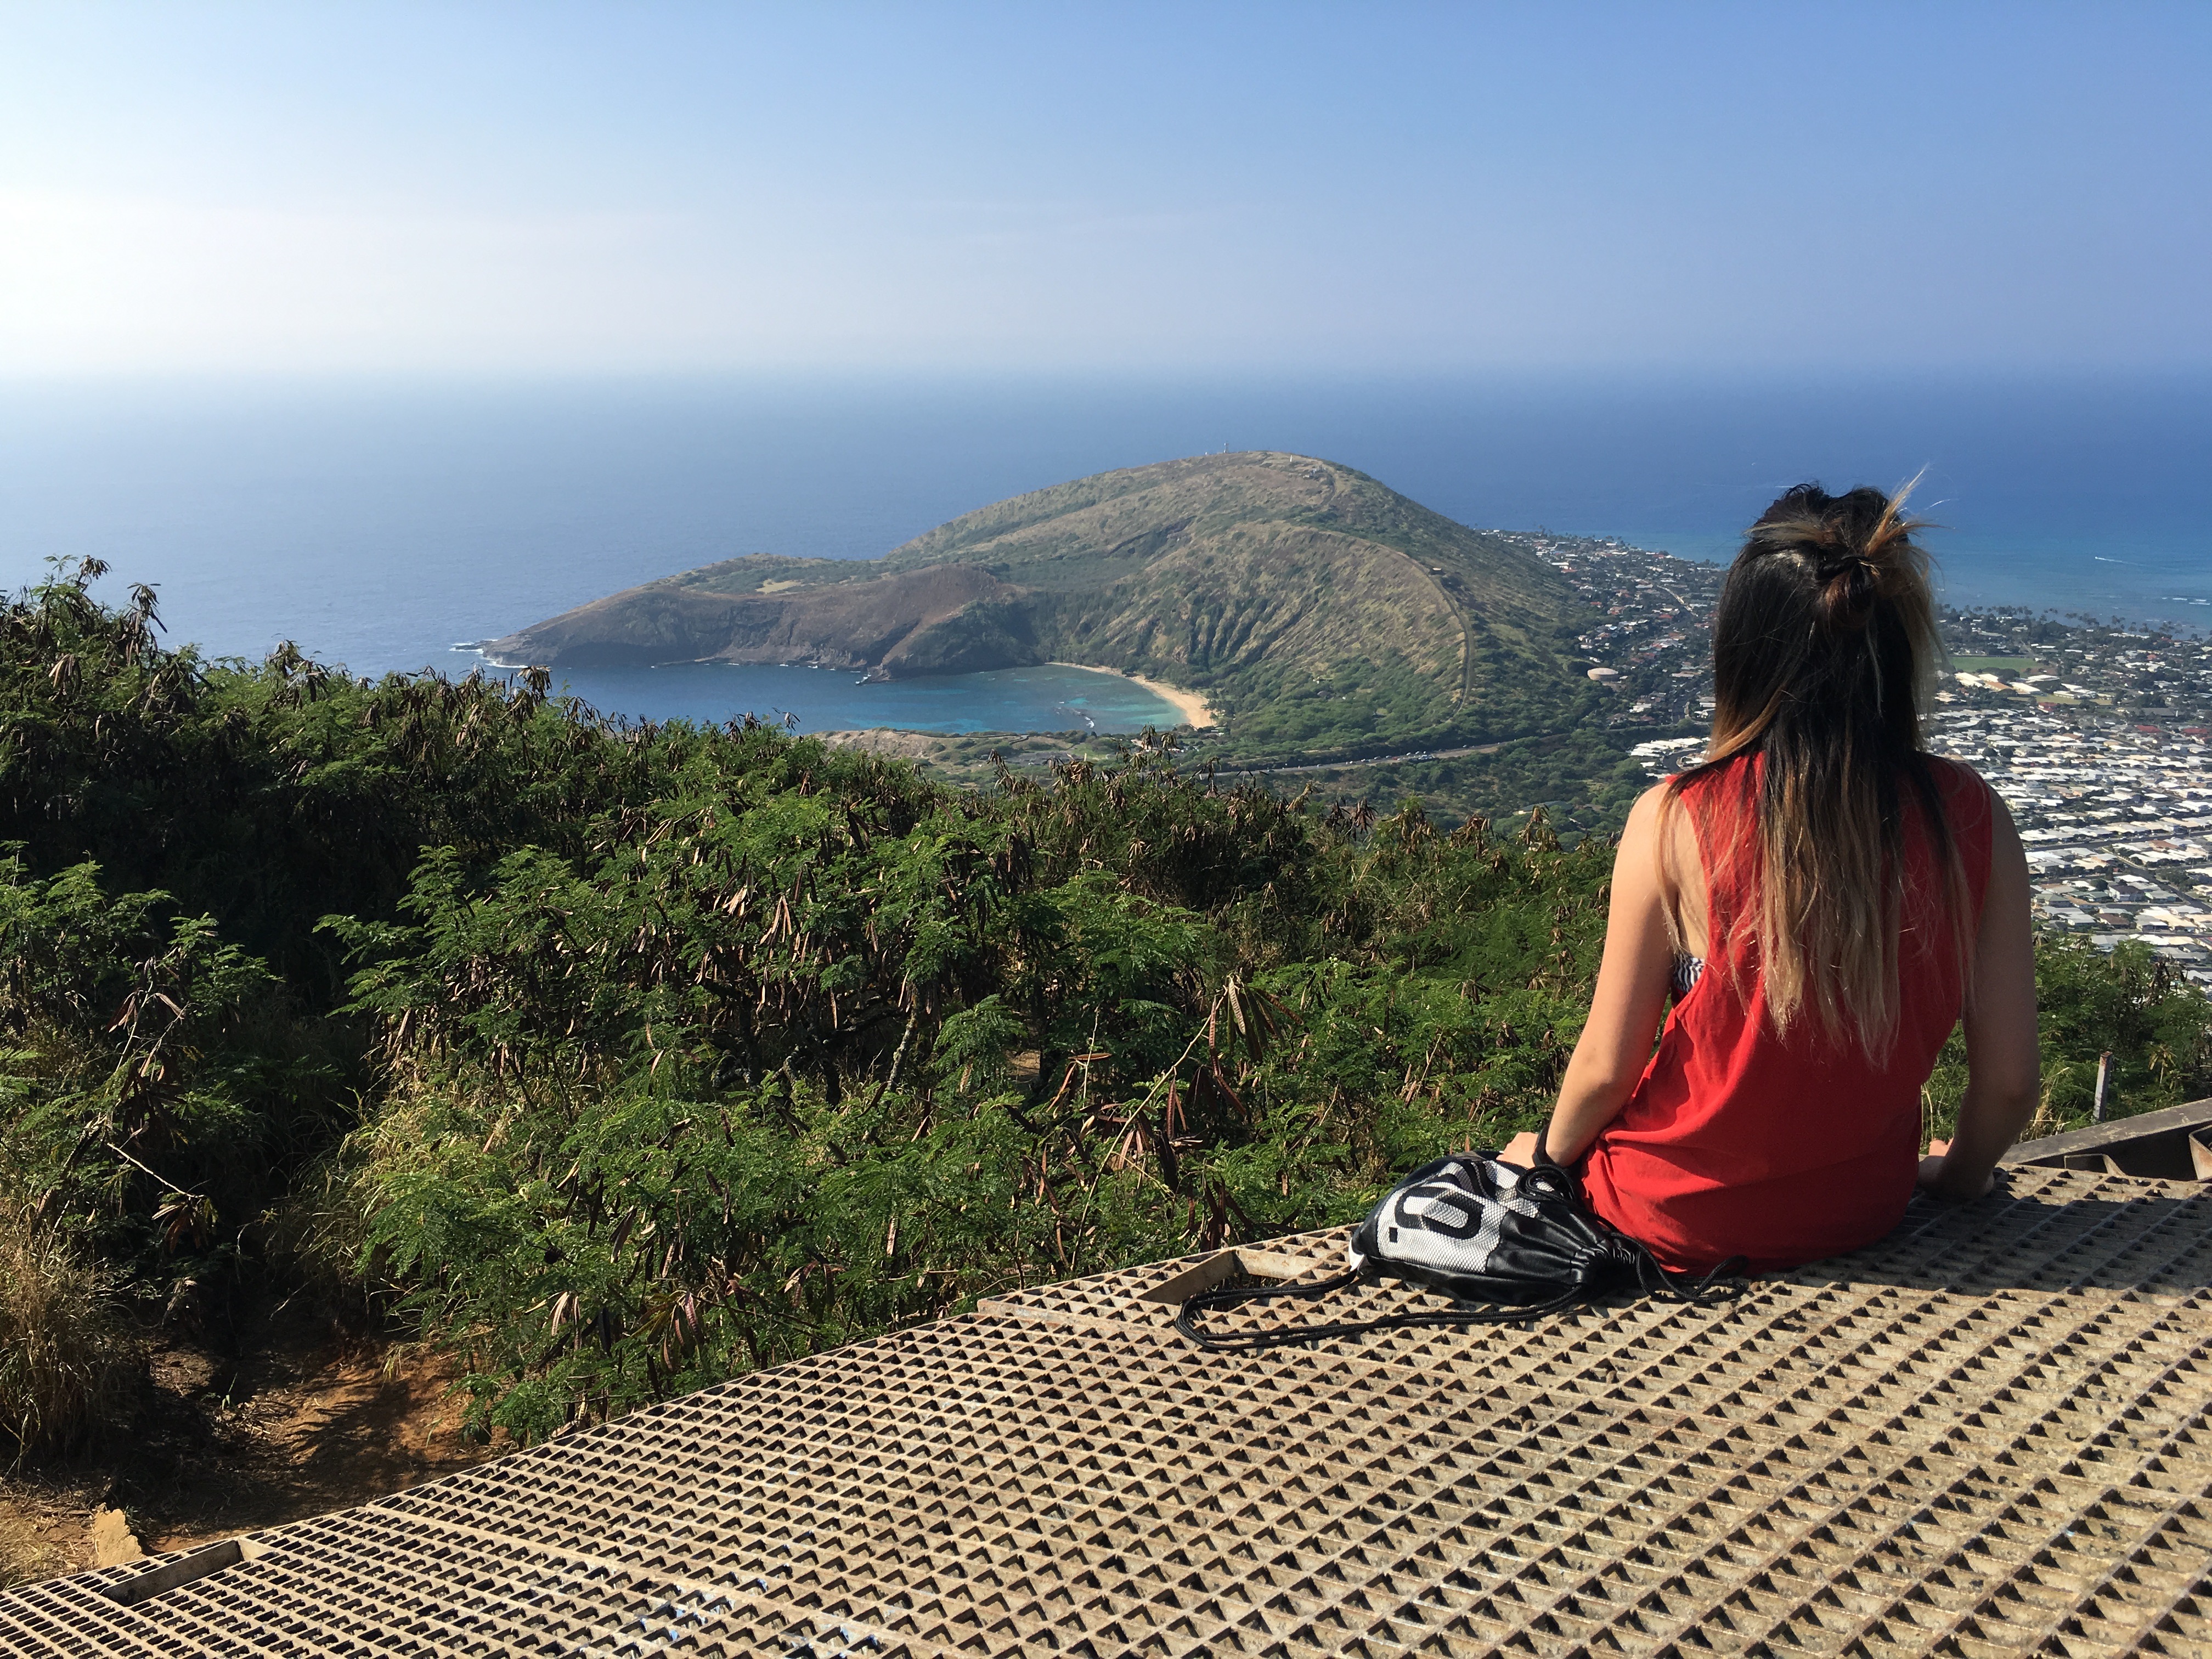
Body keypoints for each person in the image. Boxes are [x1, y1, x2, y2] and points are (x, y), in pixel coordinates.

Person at [1501, 482, 2039, 1273]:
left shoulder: (1678, 817)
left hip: (1667, 1218)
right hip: (1863, 1212)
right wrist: (1956, 1177)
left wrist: (1543, 1161)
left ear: (1745, 647)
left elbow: (1606, 1068)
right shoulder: (1973, 819)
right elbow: (2010, 1083)